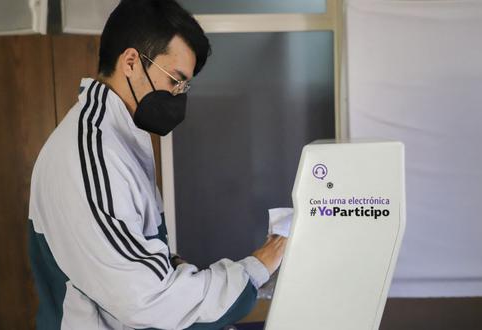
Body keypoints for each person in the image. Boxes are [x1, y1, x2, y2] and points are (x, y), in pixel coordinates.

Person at [27, 0, 287, 329]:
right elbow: (148, 299)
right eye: (174, 80)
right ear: (132, 62)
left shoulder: (118, 138)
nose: (179, 95)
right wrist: (259, 264)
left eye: (184, 86)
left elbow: (135, 254)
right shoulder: (92, 154)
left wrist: (180, 271)